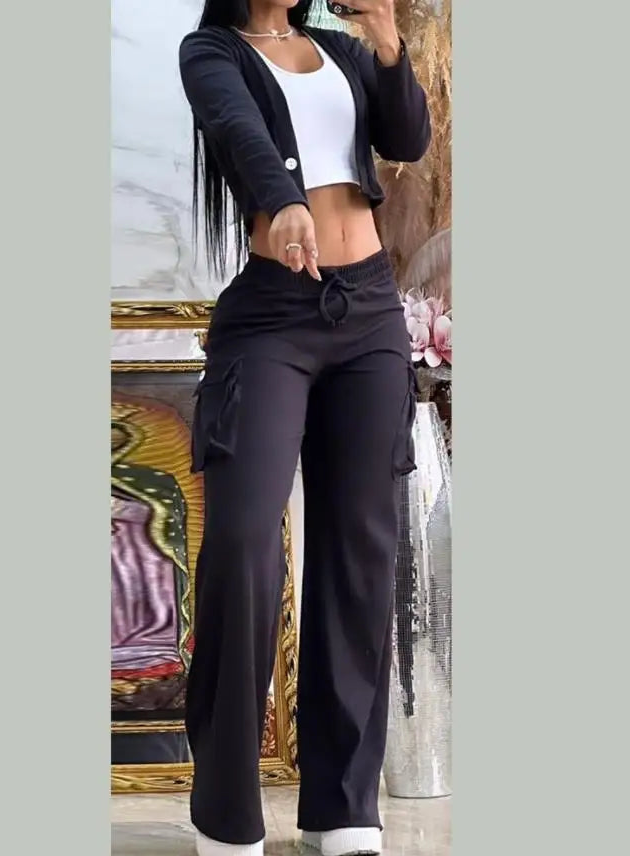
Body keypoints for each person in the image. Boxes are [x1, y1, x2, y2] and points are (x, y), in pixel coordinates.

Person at [179, 2, 430, 854]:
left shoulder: (337, 50)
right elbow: (237, 129)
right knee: (243, 543)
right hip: (270, 318)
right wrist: (282, 200)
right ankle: (225, 814)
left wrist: (387, 42)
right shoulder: (210, 50)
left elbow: (406, 140)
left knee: (360, 550)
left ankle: (343, 807)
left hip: (369, 312)